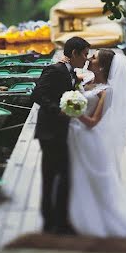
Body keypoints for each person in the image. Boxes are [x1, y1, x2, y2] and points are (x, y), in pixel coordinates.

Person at [67, 49, 126, 236]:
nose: (89, 58)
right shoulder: (87, 82)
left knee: (90, 179)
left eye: (93, 57)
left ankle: (94, 221)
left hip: (87, 137)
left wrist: (74, 113)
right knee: (75, 177)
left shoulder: (106, 91)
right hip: (74, 134)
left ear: (100, 66)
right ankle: (73, 216)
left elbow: (93, 122)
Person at [30, 36, 90, 234]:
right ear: (74, 53)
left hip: (59, 131)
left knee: (59, 175)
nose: (86, 59)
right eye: (84, 55)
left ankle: (54, 221)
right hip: (49, 131)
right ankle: (56, 223)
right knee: (56, 176)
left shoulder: (69, 71)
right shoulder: (54, 69)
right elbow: (37, 94)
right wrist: (58, 110)